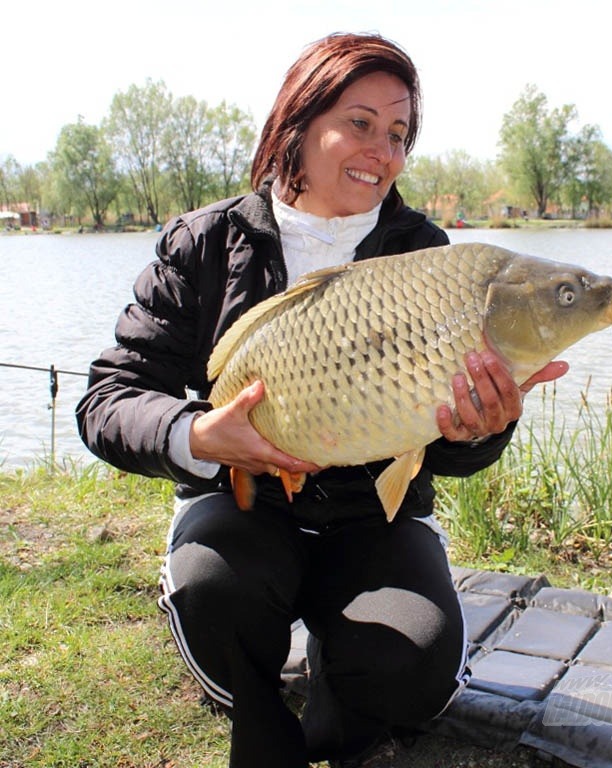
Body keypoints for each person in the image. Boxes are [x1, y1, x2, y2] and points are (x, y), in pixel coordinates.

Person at [76, 32, 567, 768]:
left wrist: (481, 430)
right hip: (242, 503)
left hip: (375, 512)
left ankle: (346, 690)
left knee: (410, 671)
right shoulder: (203, 242)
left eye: (398, 133)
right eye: (360, 123)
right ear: (297, 125)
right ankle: (223, 631)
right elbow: (109, 399)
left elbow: (449, 454)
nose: (382, 149)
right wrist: (200, 435)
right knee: (221, 604)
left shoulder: (427, 254)